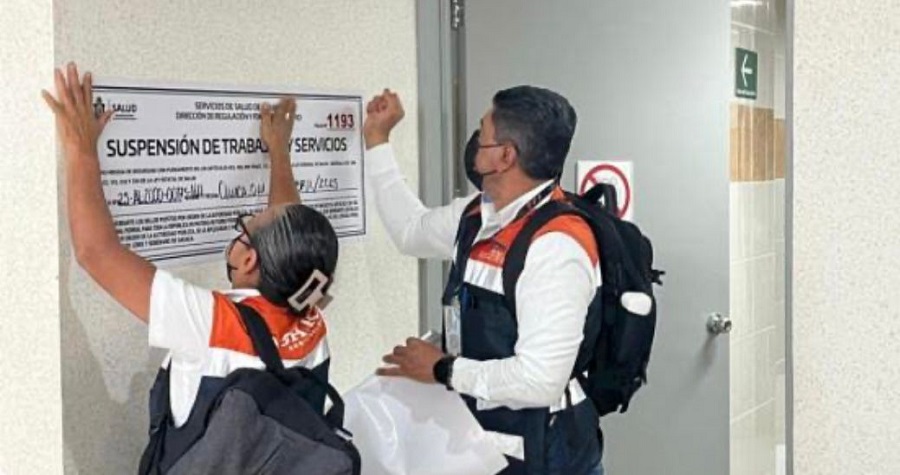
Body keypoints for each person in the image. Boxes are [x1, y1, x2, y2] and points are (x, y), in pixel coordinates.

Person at [41, 63, 338, 433]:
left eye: (245, 226)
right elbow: (293, 237)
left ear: (248, 260)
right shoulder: (311, 314)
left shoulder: (212, 323)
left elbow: (96, 252)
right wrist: (278, 152)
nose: (246, 223)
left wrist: (81, 147)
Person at [366, 87, 604, 474]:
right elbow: (410, 231)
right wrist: (377, 142)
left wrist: (443, 369)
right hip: (486, 447)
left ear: (505, 156)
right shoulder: (476, 216)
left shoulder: (556, 247)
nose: (474, 143)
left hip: (548, 455)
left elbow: (540, 379)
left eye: (482, 132)